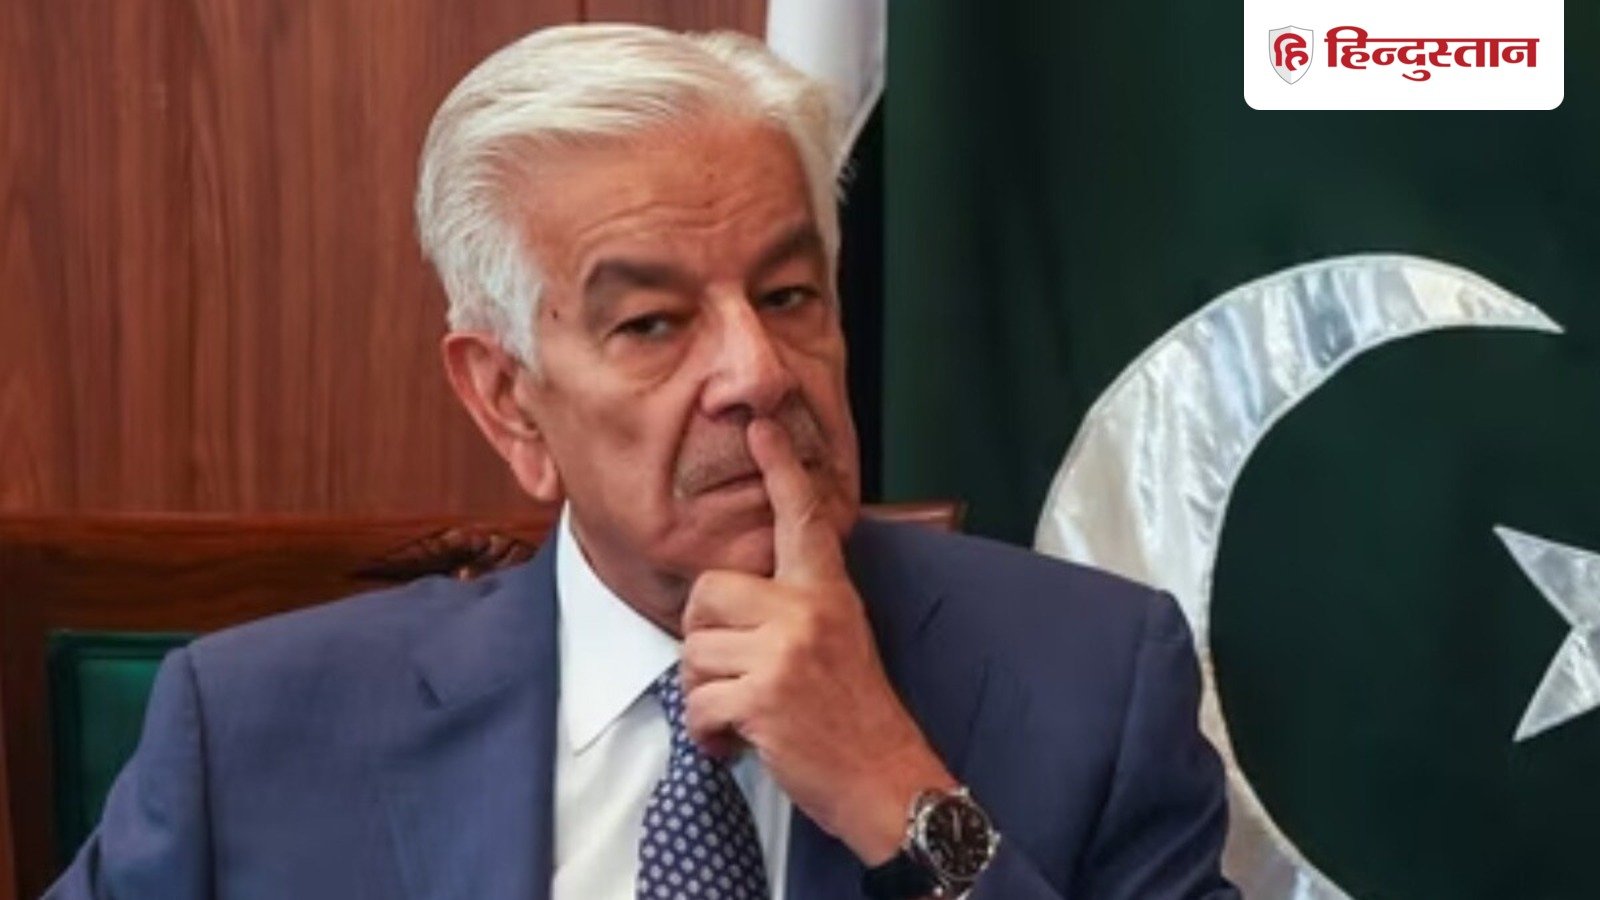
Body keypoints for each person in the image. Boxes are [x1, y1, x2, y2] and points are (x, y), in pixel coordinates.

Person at [46, 23, 1237, 900]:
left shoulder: (1091, 679)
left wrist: (899, 795)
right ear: (507, 401)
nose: (756, 373)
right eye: (654, 324)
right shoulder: (253, 730)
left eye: (787, 296)